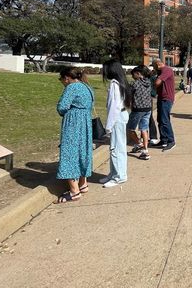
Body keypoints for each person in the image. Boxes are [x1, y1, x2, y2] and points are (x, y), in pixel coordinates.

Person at [56, 67, 94, 203]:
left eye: (61, 79)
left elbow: (62, 106)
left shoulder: (72, 87)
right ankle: (83, 183)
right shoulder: (87, 87)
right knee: (83, 151)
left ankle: (74, 191)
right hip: (85, 123)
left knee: (70, 152)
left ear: (67, 78)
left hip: (73, 123)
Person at [101, 59, 131, 187]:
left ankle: (119, 176)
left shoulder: (115, 84)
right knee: (118, 147)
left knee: (116, 148)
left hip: (117, 117)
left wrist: (108, 126)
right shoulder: (121, 82)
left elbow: (114, 106)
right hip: (121, 115)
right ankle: (114, 173)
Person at [127, 66, 152, 160]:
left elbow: (128, 93)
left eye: (133, 75)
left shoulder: (135, 84)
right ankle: (145, 150)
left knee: (130, 129)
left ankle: (139, 144)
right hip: (147, 108)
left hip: (138, 109)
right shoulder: (148, 82)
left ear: (138, 73)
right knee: (144, 129)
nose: (132, 77)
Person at [153, 58, 176, 151]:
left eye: (154, 66)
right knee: (160, 119)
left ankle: (171, 141)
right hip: (161, 98)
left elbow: (157, 82)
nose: (154, 68)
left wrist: (154, 79)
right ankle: (164, 140)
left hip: (166, 99)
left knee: (165, 120)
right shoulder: (161, 71)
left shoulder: (167, 70)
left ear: (158, 64)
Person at [148, 67, 160, 146]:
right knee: (148, 118)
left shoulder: (150, 79)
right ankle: (152, 137)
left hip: (148, 98)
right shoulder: (153, 78)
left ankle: (153, 136)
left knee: (149, 118)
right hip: (150, 97)